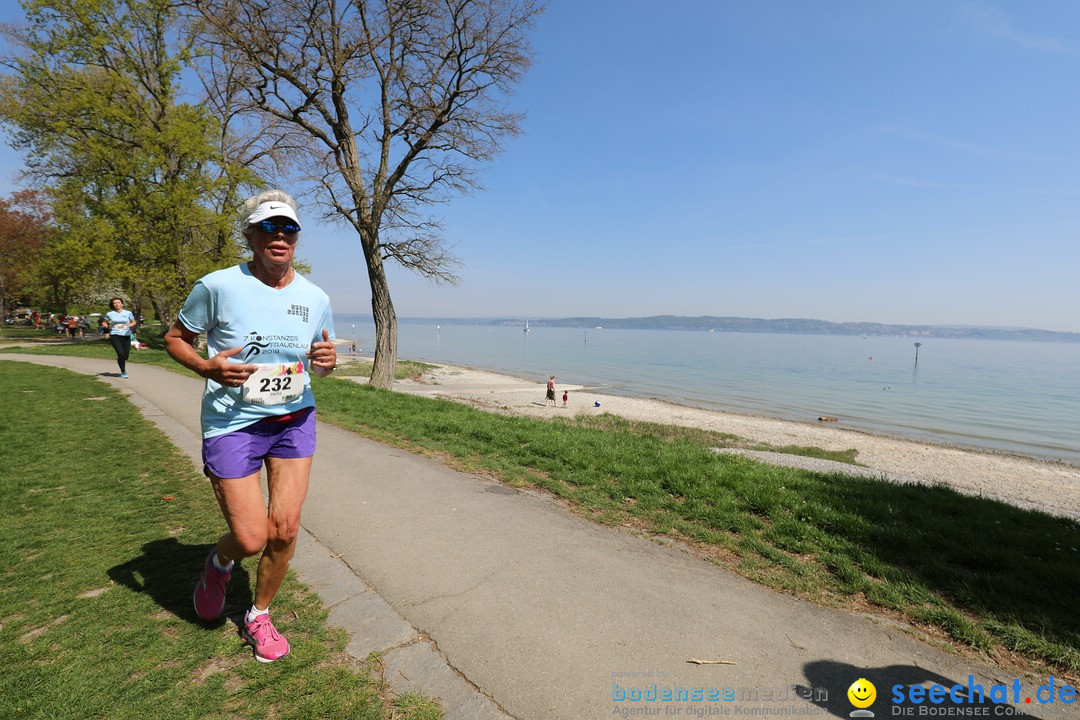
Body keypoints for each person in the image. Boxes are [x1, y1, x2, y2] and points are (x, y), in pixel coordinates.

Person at [164, 189, 336, 664]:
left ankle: (258, 614)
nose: (279, 236)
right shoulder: (217, 286)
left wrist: (326, 363)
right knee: (251, 537)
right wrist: (206, 368)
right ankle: (219, 563)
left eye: (288, 229)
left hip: (293, 419)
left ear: (297, 239)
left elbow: (319, 363)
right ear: (250, 236)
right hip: (233, 422)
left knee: (284, 528)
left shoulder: (315, 297)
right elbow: (175, 339)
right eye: (268, 228)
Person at [103, 298, 137, 377]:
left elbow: (133, 321)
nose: (117, 304)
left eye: (118, 302)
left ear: (122, 304)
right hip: (115, 335)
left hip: (126, 336)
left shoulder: (128, 313)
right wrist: (105, 325)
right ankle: (123, 372)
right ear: (113, 305)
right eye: (114, 303)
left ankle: (121, 361)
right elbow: (104, 322)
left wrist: (131, 325)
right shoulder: (109, 314)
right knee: (120, 354)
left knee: (125, 356)